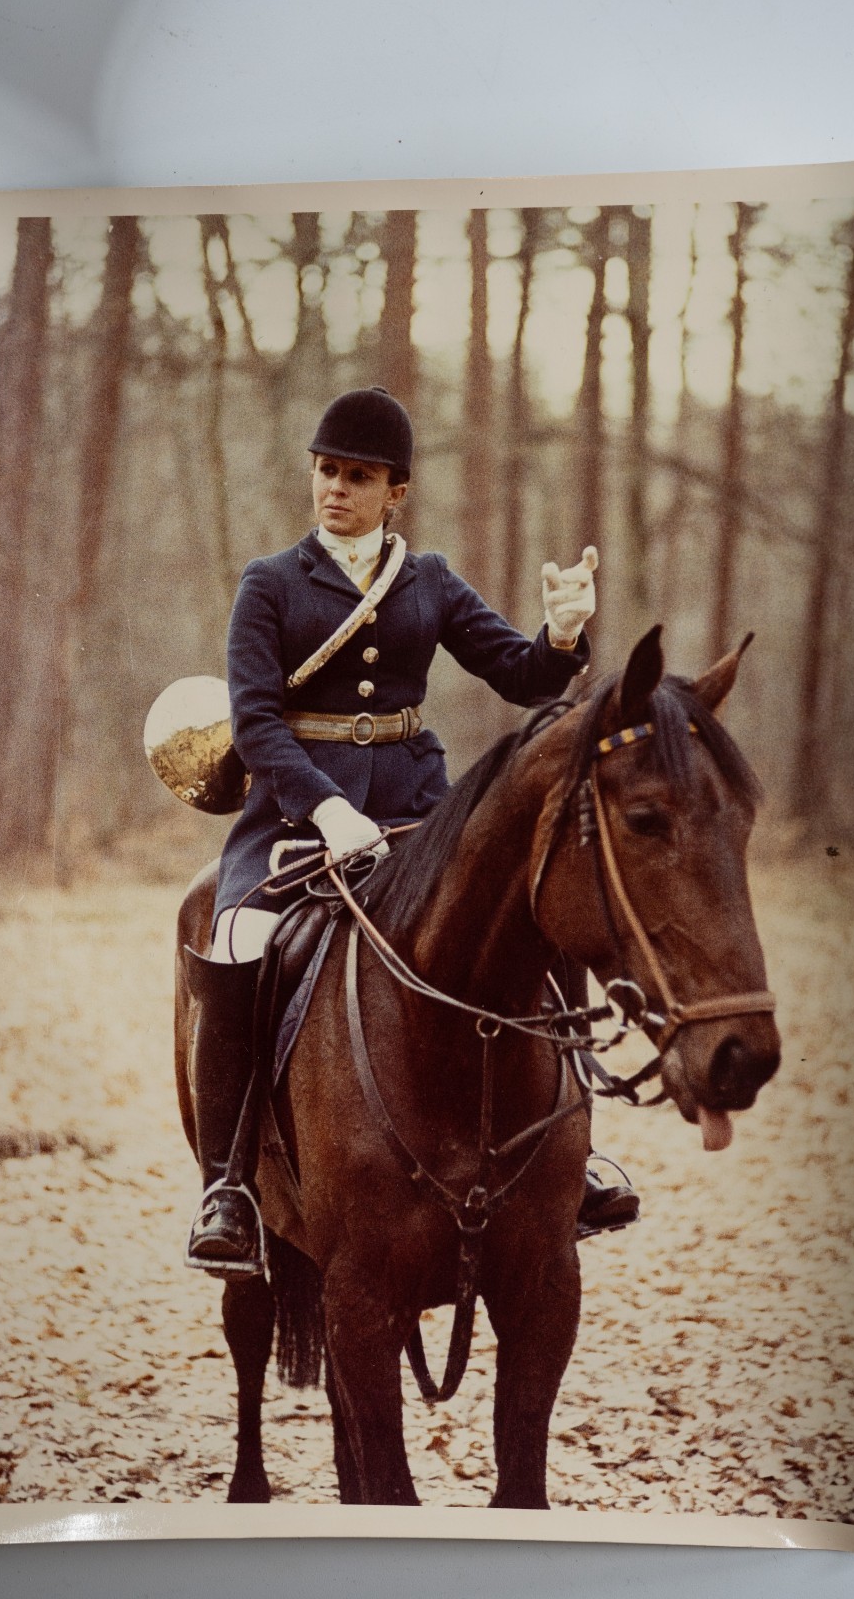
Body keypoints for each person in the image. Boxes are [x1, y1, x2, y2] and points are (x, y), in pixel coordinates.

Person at [185, 386, 639, 1276]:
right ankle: (229, 1184)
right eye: (327, 472)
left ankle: (572, 1153)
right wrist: (326, 807)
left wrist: (563, 630)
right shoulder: (271, 584)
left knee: (536, 919)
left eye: (358, 477)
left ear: (397, 491)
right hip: (293, 817)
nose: (336, 490)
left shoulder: (427, 580)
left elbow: (521, 675)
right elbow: (256, 723)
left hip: (417, 815)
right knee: (240, 941)